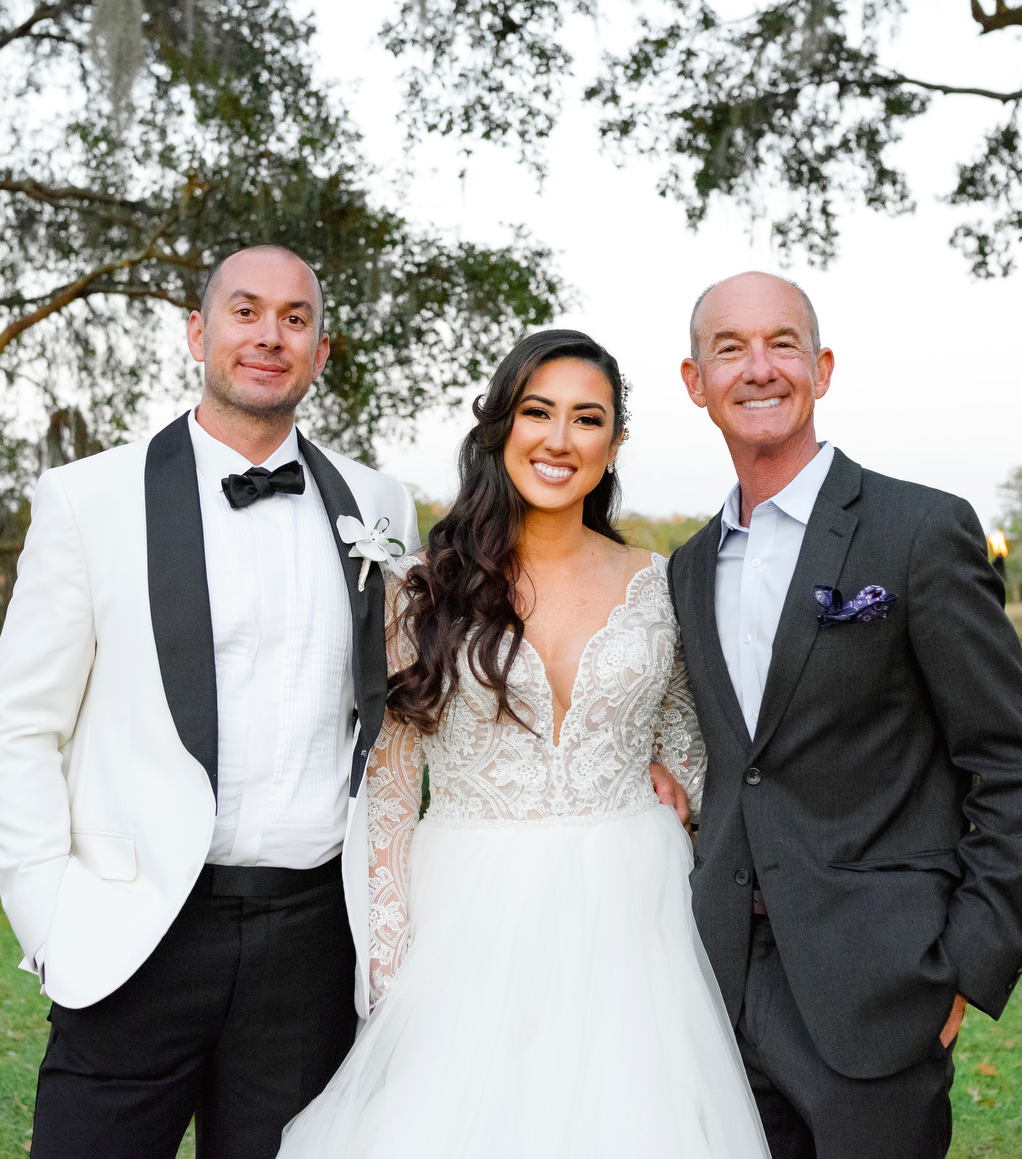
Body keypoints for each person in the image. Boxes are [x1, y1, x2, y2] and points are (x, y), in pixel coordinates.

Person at [277, 330, 770, 1159]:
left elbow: (692, 740)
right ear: (502, 427)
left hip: (632, 918)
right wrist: (390, 961)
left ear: (613, 446)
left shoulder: (660, 583)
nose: (559, 439)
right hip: (469, 918)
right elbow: (392, 789)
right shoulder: (424, 590)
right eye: (538, 412)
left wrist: (664, 775)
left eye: (587, 419)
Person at [0, 245, 421, 1158]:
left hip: (310, 940)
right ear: (198, 333)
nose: (270, 336)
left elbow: (403, 706)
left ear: (321, 351)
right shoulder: (88, 499)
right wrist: (49, 920)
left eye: (295, 319)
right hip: (136, 932)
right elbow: (20, 723)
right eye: (246, 311)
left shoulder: (379, 505)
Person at [667, 272, 1022, 1159]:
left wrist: (965, 962)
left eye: (782, 343)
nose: (758, 368)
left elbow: (1016, 769)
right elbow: (731, 755)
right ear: (696, 383)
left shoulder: (918, 530)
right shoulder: (687, 569)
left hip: (879, 982)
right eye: (728, 348)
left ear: (823, 367)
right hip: (718, 984)